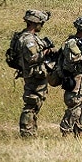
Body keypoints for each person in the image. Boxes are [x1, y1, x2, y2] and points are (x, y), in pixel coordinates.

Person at [13, 9, 52, 137]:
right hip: (33, 75)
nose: (42, 25)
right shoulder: (28, 39)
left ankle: (31, 130)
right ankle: (26, 132)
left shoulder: (27, 37)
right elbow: (32, 57)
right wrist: (47, 52)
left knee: (35, 104)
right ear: (35, 23)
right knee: (31, 104)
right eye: (41, 23)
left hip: (36, 74)